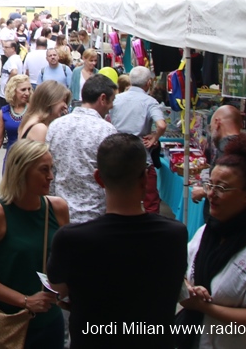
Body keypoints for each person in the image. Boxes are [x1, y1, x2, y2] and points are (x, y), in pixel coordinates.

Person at [47, 133, 188, 349]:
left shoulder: (71, 239)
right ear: (145, 177)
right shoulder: (175, 235)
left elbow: (57, 290)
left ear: (98, 178)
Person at [178, 134, 246, 349]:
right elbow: (183, 270)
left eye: (222, 188)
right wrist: (189, 288)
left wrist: (203, 307)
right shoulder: (206, 232)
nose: (211, 194)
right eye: (210, 185)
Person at [0, 140, 70, 348]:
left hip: (49, 323)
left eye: (52, 169)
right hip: (7, 324)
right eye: (44, 170)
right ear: (22, 171)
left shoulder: (57, 208)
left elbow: (68, 262)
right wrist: (26, 301)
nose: (51, 176)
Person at [45, 74, 117, 224]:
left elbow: (50, 170)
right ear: (103, 98)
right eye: (112, 100)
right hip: (94, 216)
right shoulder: (106, 130)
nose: (112, 106)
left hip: (61, 214)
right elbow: (112, 179)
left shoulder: (56, 126)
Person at [108, 66, 167, 214]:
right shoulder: (150, 101)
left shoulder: (116, 99)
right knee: (150, 200)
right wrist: (155, 137)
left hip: (117, 153)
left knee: (119, 197)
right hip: (140, 155)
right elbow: (161, 125)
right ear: (148, 82)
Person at [192, 105, 244, 204]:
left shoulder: (227, 147)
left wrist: (203, 191)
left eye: (211, 127)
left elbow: (228, 186)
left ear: (217, 122)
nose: (211, 132)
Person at [0, 74, 31, 172]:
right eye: (23, 90)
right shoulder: (4, 111)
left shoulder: (34, 109)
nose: (27, 93)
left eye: (29, 89)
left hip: (30, 159)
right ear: (13, 91)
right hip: (11, 159)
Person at [0, 40, 22, 112]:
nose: (4, 49)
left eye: (6, 47)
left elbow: (14, 72)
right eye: (3, 47)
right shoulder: (16, 58)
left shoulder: (12, 60)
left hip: (6, 96)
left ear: (13, 48)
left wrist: (8, 85)